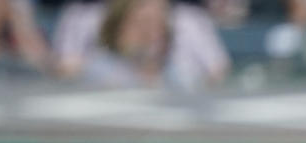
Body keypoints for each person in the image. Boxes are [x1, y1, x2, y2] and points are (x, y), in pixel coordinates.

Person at [51, 0, 230, 90]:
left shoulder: (181, 75)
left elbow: (217, 75)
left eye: (157, 26)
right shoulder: (96, 70)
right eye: (141, 25)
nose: (150, 36)